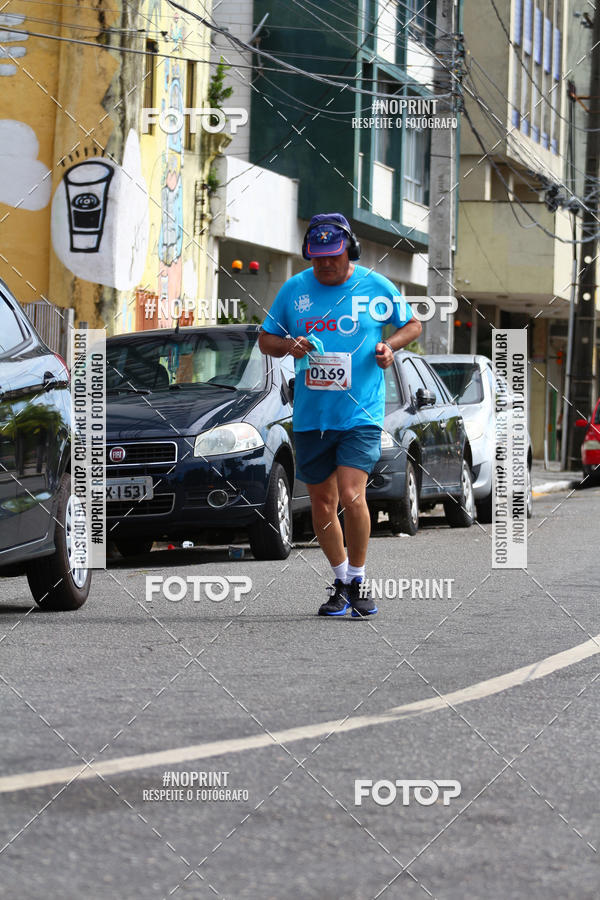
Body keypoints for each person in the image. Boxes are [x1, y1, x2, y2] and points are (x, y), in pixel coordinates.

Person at [258, 213, 422, 617]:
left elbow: (412, 323)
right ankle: (342, 580)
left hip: (361, 413)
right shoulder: (295, 289)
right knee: (323, 501)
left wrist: (391, 347)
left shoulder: (373, 285)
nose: (326, 264)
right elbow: (265, 339)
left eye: (333, 256)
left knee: (351, 493)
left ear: (350, 250)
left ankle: (360, 579)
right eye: (318, 257)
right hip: (313, 416)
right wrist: (289, 346)